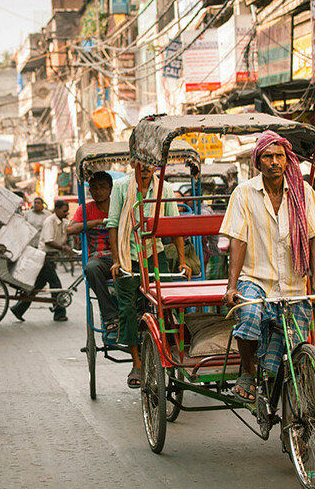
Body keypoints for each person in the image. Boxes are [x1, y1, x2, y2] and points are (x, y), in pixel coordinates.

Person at [221, 131, 315, 403]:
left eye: (279, 156)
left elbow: (314, 237)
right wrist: (232, 286)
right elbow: (238, 240)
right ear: (258, 161)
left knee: (297, 348)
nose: (274, 162)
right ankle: (246, 369)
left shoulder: (303, 192)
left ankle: (293, 410)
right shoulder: (244, 193)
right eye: (268, 156)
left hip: (292, 283)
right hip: (255, 278)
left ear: (287, 159)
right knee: (249, 312)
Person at [108, 162, 191, 389]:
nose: (144, 167)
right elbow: (113, 225)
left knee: (167, 306)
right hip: (128, 255)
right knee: (127, 309)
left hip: (156, 255)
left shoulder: (164, 188)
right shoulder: (121, 186)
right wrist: (117, 260)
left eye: (149, 162)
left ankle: (172, 352)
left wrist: (182, 262)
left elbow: (174, 227)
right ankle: (136, 363)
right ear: (133, 162)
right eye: (140, 161)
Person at [66, 171, 117, 338]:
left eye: (103, 187)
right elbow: (70, 229)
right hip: (99, 259)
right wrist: (96, 222)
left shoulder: (119, 205)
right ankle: (110, 317)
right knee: (91, 268)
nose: (98, 192)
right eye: (94, 188)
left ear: (110, 188)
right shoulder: (86, 210)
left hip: (121, 255)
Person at [10, 199, 73, 322]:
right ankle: (59, 313)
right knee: (56, 285)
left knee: (38, 285)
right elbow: (48, 240)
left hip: (51, 257)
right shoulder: (50, 221)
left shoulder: (62, 221)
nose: (66, 213)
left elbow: (68, 231)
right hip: (45, 257)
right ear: (57, 210)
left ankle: (19, 308)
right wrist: (64, 248)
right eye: (64, 211)